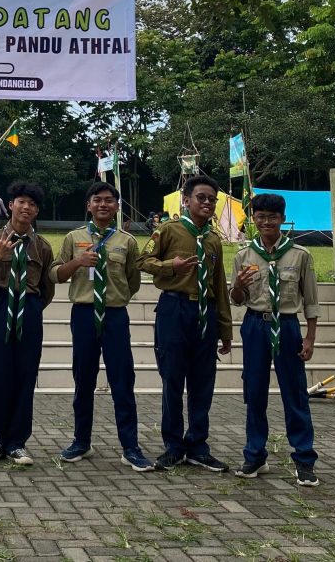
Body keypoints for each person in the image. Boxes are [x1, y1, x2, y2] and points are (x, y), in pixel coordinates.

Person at [51, 182, 153, 471]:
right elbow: (56, 274)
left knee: (123, 380)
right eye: (98, 200)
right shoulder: (74, 238)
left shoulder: (126, 241)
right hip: (83, 314)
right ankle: (81, 441)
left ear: (117, 207)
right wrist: (78, 262)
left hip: (114, 316)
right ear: (89, 205)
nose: (104, 205)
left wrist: (114, 299)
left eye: (109, 201)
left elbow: (132, 281)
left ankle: (130, 447)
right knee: (84, 379)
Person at [137, 175, 232, 472]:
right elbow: (142, 262)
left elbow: (220, 287)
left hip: (205, 313)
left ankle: (198, 445)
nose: (206, 203)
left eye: (211, 199)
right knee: (173, 380)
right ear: (186, 200)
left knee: (203, 383)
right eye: (201, 197)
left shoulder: (214, 240)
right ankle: (173, 446)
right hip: (174, 310)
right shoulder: (169, 230)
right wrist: (170, 266)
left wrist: (225, 329)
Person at [230, 193, 320, 486]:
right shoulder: (244, 255)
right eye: (260, 216)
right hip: (256, 325)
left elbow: (311, 301)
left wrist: (310, 338)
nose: (266, 222)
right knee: (254, 391)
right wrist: (238, 287)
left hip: (289, 326)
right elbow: (237, 300)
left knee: (294, 393)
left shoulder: (299, 255)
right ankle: (255, 455)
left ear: (282, 219)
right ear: (254, 219)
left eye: (272, 217)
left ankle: (304, 459)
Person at [0, 181, 54, 465]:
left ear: (36, 211)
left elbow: (47, 289)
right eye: (22, 202)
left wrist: (28, 309)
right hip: (0, 306)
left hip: (29, 311)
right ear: (10, 205)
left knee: (25, 374)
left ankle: (18, 442)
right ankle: (0, 439)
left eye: (32, 204)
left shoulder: (42, 246)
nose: (27, 208)